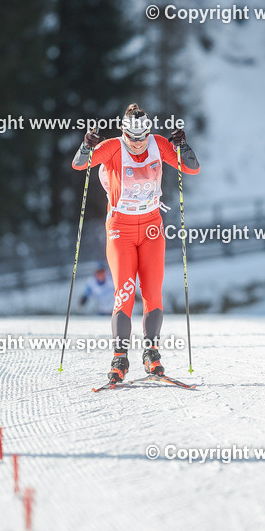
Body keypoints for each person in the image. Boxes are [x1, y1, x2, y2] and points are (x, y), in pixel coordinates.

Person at [72, 103, 200, 383]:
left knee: (153, 293)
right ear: (124, 132)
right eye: (133, 138)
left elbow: (192, 169)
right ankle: (120, 357)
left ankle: (151, 353)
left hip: (152, 226)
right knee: (124, 293)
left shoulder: (158, 145)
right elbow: (80, 164)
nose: (139, 144)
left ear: (149, 132)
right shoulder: (114, 147)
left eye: (143, 137)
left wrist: (184, 147)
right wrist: (86, 145)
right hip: (121, 228)